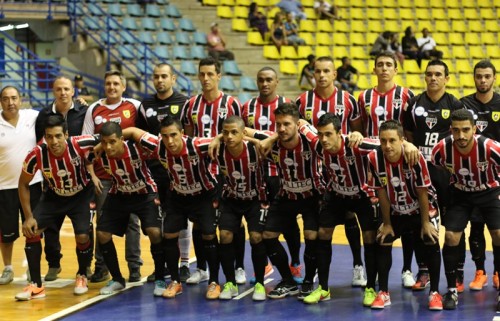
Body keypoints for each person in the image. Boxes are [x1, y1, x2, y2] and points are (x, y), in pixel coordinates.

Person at [123, 116, 221, 299]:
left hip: (203, 195)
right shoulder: (158, 144)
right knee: (168, 234)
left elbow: (234, 135)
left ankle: (214, 281)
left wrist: (218, 138)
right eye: (165, 136)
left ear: (182, 134)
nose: (170, 141)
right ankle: (175, 281)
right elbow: (133, 132)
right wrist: (99, 144)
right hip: (177, 195)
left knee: (208, 234)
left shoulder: (197, 144)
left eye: (174, 135)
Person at [296, 56, 366, 287]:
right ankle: (312, 273)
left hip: (344, 170)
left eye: (327, 71)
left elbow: (357, 133)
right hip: (314, 171)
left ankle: (358, 265)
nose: (322, 75)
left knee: (349, 218)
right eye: (318, 71)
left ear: (334, 74)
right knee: (316, 225)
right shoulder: (302, 101)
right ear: (312, 74)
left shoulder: (348, 100)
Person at [297, 113, 379, 305]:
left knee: (369, 238)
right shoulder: (317, 143)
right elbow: (301, 124)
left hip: (362, 196)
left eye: (328, 134)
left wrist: (407, 145)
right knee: (323, 233)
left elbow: (382, 143)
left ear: (339, 133)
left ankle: (370, 289)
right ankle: (324, 289)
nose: (323, 139)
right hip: (336, 194)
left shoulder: (354, 145)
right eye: (321, 134)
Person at [15, 115, 96, 300]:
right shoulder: (36, 154)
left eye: (58, 136)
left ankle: (82, 274)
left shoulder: (80, 143)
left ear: (66, 135)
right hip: (54, 197)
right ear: (45, 136)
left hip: (81, 196)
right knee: (31, 230)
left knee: (83, 235)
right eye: (49, 136)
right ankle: (36, 285)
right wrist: (28, 217)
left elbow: (106, 139)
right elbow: (23, 184)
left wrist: (94, 169)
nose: (54, 141)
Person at [367, 120, 443, 311]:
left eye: (392, 140)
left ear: (402, 140)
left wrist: (425, 223)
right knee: (383, 238)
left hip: (421, 208)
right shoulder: (374, 159)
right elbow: (381, 192)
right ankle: (383, 292)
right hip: (396, 210)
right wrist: (387, 223)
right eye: (383, 141)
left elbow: (422, 192)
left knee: (430, 238)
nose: (387, 146)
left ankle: (434, 292)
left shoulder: (414, 157)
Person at [252, 103, 325, 300]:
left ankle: (309, 280)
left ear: (297, 124)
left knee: (311, 235)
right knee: (267, 235)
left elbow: (321, 138)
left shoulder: (308, 140)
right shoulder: (273, 143)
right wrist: (218, 137)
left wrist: (300, 125)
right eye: (278, 125)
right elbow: (243, 130)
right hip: (286, 195)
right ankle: (288, 280)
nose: (282, 129)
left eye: (287, 124)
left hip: (312, 196)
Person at [358, 51, 417, 288]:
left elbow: (411, 131)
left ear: (396, 69)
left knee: (407, 216)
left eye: (388, 65)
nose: (384, 68)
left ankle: (407, 269)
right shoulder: (363, 97)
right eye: (380, 65)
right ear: (374, 69)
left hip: (401, 162)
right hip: (375, 164)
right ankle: (374, 276)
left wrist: (408, 147)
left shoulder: (407, 95)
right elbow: (360, 130)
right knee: (381, 219)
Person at [180, 57, 242, 285]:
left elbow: (239, 134)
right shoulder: (190, 105)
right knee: (199, 222)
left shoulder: (231, 104)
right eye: (202, 74)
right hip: (198, 172)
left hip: (225, 171)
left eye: (210, 74)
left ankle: (239, 266)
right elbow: (187, 137)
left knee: (231, 222)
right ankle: (203, 268)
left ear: (219, 76)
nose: (205, 79)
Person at [431, 109, 500, 311]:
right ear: (451, 130)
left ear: (474, 129)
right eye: (456, 130)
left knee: (498, 234)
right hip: (461, 194)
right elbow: (437, 167)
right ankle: (452, 289)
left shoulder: (489, 147)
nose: (461, 136)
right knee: (451, 236)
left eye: (466, 130)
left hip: (489, 191)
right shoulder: (441, 148)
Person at [403, 60, 463, 291]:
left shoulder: (454, 104)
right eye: (429, 74)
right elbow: (408, 135)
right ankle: (424, 270)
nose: (433, 78)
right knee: (422, 222)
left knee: (452, 224)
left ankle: (457, 273)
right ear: (425, 77)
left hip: (446, 175)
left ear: (447, 78)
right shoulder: (414, 103)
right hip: (419, 174)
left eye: (438, 74)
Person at [242, 67, 303, 284]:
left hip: (281, 172)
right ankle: (266, 264)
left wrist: (271, 139)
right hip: (256, 172)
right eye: (261, 80)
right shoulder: (248, 107)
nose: (265, 83)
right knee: (260, 222)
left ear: (277, 81)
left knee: (288, 223)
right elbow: (240, 132)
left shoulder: (287, 105)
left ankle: (295, 262)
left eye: (269, 80)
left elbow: (299, 128)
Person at [83, 70, 143, 284]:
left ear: (123, 87)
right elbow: (88, 144)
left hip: (131, 177)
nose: (112, 87)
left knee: (133, 223)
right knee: (103, 223)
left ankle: (134, 267)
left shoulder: (134, 107)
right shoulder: (94, 109)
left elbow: (142, 137)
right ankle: (102, 268)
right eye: (108, 83)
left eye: (116, 84)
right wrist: (92, 175)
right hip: (103, 176)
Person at [91, 122, 165, 296]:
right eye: (104, 142)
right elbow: (79, 150)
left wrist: (132, 131)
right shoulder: (99, 150)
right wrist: (93, 175)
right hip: (120, 193)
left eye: (112, 142)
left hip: (145, 192)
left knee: (155, 232)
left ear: (121, 140)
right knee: (102, 234)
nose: (108, 147)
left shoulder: (138, 148)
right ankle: (117, 279)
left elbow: (158, 144)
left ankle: (161, 277)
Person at [137, 63, 192, 283]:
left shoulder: (184, 103)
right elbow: (140, 135)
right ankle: (163, 266)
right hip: (153, 171)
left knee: (181, 215)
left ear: (173, 79)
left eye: (164, 76)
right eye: (156, 76)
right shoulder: (145, 105)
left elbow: (189, 134)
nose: (160, 80)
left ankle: (185, 263)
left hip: (178, 169)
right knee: (157, 221)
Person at [34, 76, 89, 282]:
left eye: (66, 89)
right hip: (53, 182)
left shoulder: (84, 111)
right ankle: (53, 264)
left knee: (83, 230)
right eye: (58, 89)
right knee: (50, 227)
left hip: (80, 181)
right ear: (53, 92)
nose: (63, 93)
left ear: (73, 91)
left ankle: (84, 269)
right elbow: (40, 144)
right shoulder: (44, 115)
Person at [209, 116, 269, 300]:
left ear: (243, 133)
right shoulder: (217, 150)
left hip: (255, 198)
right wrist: (216, 139)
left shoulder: (256, 148)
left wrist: (252, 139)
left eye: (234, 132)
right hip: (231, 198)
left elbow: (274, 138)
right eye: (225, 132)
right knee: (225, 235)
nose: (229, 136)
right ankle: (230, 283)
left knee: (256, 236)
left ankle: (259, 283)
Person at [459, 60, 500, 291]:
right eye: (479, 76)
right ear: (473, 78)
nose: (483, 80)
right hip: (472, 177)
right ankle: (480, 271)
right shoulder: (465, 105)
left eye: (487, 76)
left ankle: (498, 272)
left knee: (497, 229)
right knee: (475, 226)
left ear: (494, 78)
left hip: (497, 177)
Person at [0, 86, 42, 285]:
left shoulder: (32, 117)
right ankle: (7, 268)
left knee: (32, 226)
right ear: (1, 102)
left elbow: (56, 112)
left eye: (14, 98)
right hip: (4, 187)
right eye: (6, 99)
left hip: (32, 183)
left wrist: (80, 103)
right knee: (6, 233)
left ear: (20, 99)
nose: (11, 102)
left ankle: (32, 269)